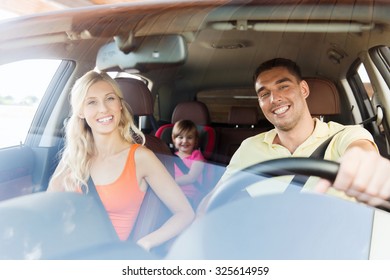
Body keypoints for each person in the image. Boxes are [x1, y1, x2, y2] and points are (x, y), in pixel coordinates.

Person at [197, 57, 390, 214]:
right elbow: (213, 201)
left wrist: (368, 166)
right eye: (264, 94)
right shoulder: (249, 147)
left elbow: (362, 154)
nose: (274, 99)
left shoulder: (346, 135)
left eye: (283, 86)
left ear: (304, 89)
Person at [47, 70, 194, 252]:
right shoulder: (74, 156)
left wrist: (144, 244)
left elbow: (185, 213)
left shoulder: (141, 157)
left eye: (110, 99)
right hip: (64, 249)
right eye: (91, 102)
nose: (103, 109)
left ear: (120, 105)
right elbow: (48, 207)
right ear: (81, 112)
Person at [172, 119, 205, 208]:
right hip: (171, 193)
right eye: (180, 137)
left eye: (189, 137)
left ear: (195, 140)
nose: (185, 141)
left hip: (188, 197)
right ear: (174, 139)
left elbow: (191, 177)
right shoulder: (170, 156)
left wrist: (170, 182)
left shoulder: (197, 157)